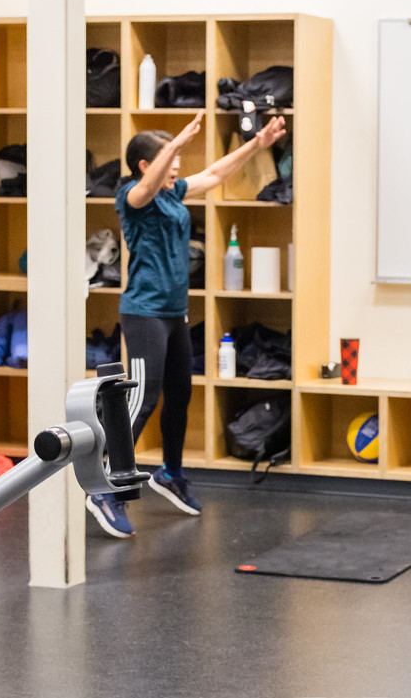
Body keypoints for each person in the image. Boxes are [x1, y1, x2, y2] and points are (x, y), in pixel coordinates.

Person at [88, 113, 287, 538]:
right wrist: (174, 143)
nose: (177, 166)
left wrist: (259, 143)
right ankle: (105, 488)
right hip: (143, 313)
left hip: (174, 313)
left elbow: (215, 173)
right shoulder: (131, 196)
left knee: (180, 395)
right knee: (142, 398)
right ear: (146, 164)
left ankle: (170, 473)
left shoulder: (172, 194)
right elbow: (144, 187)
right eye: (168, 159)